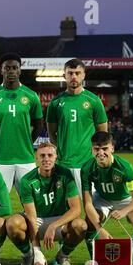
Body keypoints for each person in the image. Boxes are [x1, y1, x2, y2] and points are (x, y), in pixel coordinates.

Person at [6, 142, 87, 265]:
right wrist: (37, 251)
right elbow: (31, 216)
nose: (46, 159)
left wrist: (53, 226)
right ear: (36, 158)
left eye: (50, 155)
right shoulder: (27, 180)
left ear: (56, 157)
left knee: (81, 225)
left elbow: (77, 209)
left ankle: (63, 255)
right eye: (42, 155)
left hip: (59, 221)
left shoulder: (65, 175)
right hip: (37, 219)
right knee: (12, 223)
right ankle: (28, 255)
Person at [81, 132, 133, 265]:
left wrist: (124, 211)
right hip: (102, 198)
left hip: (125, 199)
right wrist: (100, 229)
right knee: (90, 222)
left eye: (105, 148)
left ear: (112, 148)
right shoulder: (87, 168)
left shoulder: (125, 167)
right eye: (96, 149)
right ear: (92, 149)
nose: (101, 153)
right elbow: (87, 203)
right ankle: (94, 263)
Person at [0, 53, 43, 194]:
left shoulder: (31, 95)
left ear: (20, 70)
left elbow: (39, 124)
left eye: (15, 68)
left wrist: (28, 142)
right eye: (7, 68)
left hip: (25, 158)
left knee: (33, 203)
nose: (11, 71)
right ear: (1, 70)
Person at [46, 58, 108, 192]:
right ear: (64, 76)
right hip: (63, 164)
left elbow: (103, 135)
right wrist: (59, 152)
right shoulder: (55, 102)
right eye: (70, 73)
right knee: (63, 207)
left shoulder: (94, 101)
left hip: (87, 163)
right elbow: (52, 133)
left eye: (77, 73)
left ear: (84, 75)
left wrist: (98, 156)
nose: (74, 76)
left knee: (91, 205)